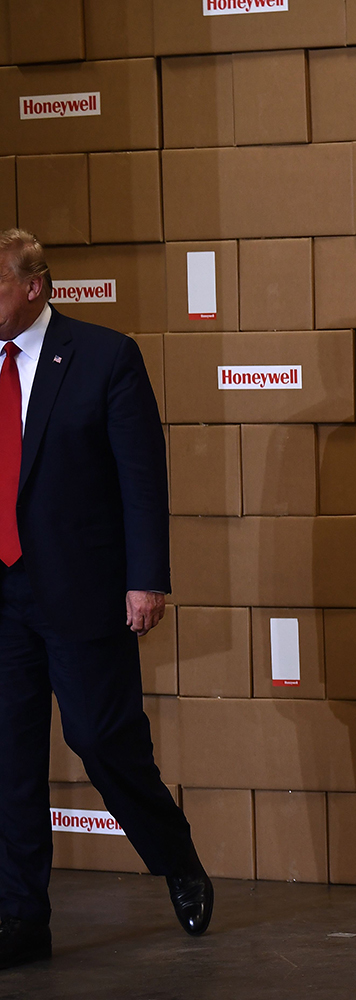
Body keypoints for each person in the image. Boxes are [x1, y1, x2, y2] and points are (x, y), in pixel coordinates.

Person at [0, 229, 211, 970]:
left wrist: (146, 578)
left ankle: (174, 854)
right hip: (3, 594)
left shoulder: (104, 357)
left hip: (79, 588)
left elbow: (140, 480)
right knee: (9, 758)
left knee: (101, 740)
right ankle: (21, 917)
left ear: (34, 287)